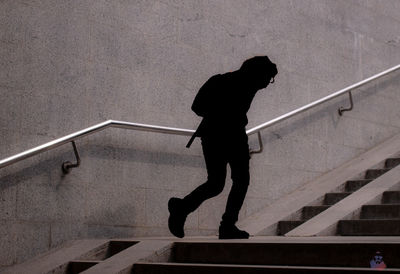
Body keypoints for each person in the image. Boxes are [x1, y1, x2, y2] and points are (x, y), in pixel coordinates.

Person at [168, 56, 278, 239]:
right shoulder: (222, 81)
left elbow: (198, 107)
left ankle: (190, 211)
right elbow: (197, 107)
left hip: (225, 136)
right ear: (256, 74)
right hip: (220, 135)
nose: (267, 84)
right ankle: (195, 213)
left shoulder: (242, 84)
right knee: (223, 183)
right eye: (268, 78)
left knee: (226, 182)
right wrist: (222, 115)